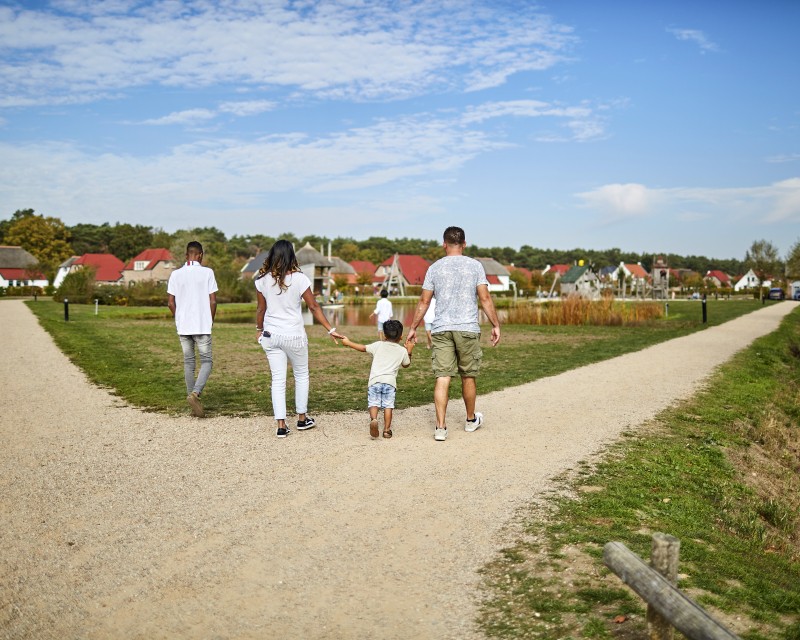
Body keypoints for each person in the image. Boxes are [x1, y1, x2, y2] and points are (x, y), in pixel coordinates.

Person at [406, 226, 501, 442]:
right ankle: (470, 421)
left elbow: (424, 301)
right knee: (468, 375)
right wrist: (495, 324)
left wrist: (413, 327)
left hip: (441, 329)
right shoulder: (475, 266)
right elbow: (485, 298)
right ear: (465, 244)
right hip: (467, 327)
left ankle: (440, 428)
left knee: (442, 376)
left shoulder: (434, 268)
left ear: (444, 244)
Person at [255, 240, 344, 438]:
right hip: (294, 336)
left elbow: (261, 309)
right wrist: (331, 329)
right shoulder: (299, 279)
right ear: (291, 256)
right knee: (301, 375)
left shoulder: (262, 280)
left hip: (271, 336)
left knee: (277, 380)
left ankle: (281, 425)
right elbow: (313, 307)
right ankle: (302, 419)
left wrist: (259, 329)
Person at [167, 241, 218, 418]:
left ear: (186, 255)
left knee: (189, 362)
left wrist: (179, 318)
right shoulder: (207, 273)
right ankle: (195, 394)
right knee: (207, 361)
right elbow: (213, 301)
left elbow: (170, 303)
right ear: (200, 255)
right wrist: (210, 320)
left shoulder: (175, 274)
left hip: (184, 326)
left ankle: (191, 400)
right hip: (202, 325)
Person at [341, 319, 413, 440]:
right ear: (401, 337)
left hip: (374, 381)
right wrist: (409, 351)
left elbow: (363, 348)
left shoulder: (378, 345)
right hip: (390, 383)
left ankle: (374, 420)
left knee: (373, 403)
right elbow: (406, 364)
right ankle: (386, 430)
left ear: (384, 335)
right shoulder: (402, 351)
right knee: (388, 406)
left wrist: (348, 342)